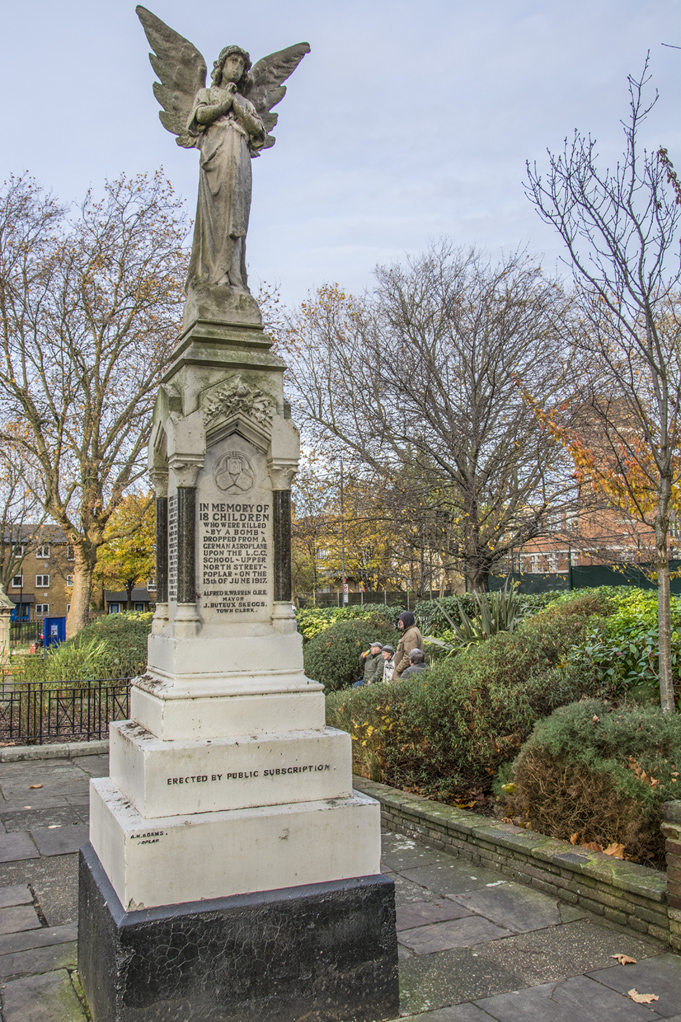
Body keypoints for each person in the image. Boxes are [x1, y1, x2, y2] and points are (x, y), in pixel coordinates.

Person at [186, 46, 266, 291]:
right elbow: (199, 117)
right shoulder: (207, 93)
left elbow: (258, 130)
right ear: (221, 65)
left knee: (237, 217)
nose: (237, 68)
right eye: (233, 61)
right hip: (215, 160)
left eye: (242, 65)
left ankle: (233, 277)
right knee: (216, 218)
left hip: (240, 163)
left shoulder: (244, 102)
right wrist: (225, 103)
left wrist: (236, 105)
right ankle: (212, 275)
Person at [393, 611, 424, 679]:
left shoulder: (411, 634)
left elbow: (408, 656)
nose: (399, 622)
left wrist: (398, 669)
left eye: (401, 620)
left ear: (406, 620)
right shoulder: (411, 631)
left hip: (405, 673)